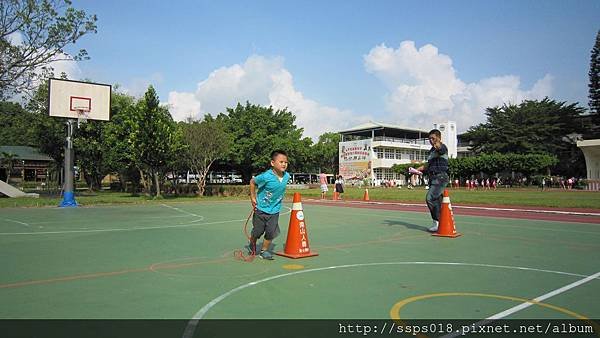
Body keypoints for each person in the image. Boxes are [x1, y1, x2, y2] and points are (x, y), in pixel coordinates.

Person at [246, 150, 290, 260]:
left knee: (271, 232)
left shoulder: (287, 176)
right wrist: (252, 197)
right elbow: (252, 182)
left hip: (275, 210)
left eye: (286, 162)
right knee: (258, 231)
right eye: (281, 162)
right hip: (261, 209)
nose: (284, 164)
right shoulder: (266, 176)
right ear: (272, 163)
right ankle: (252, 241)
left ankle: (264, 251)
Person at [416, 129, 449, 233]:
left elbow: (441, 149)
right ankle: (441, 222)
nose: (431, 140)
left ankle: (438, 222)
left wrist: (438, 144)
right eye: (429, 138)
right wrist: (421, 168)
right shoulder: (431, 151)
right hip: (433, 177)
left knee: (430, 198)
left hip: (440, 177)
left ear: (439, 138)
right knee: (438, 201)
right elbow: (429, 165)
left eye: (433, 138)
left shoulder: (442, 146)